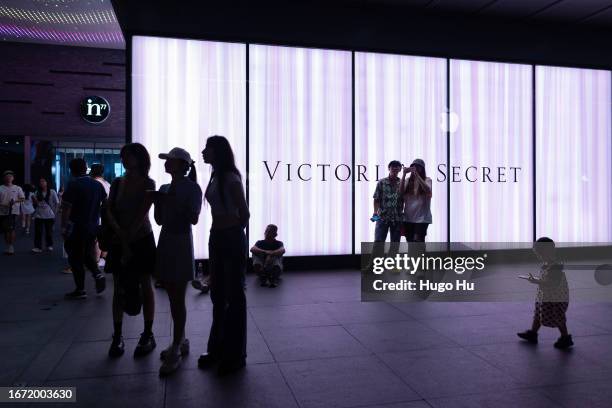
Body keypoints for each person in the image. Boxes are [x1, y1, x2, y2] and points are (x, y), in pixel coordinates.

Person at [199, 135, 250, 376]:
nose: (202, 152)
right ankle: (217, 348)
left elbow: (244, 213)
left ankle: (235, 354)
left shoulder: (229, 177)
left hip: (228, 237)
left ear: (217, 151)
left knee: (233, 296)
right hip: (218, 236)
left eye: (207, 148)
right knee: (219, 295)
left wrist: (232, 232)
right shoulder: (217, 176)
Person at [105, 144, 157, 358]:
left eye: (128, 156)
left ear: (139, 158)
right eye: (123, 156)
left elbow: (142, 213)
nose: (124, 159)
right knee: (119, 287)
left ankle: (147, 333)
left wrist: (124, 238)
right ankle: (117, 335)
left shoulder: (148, 183)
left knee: (145, 285)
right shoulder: (117, 183)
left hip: (140, 239)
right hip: (123, 239)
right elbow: (108, 209)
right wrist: (120, 233)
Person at [153, 147, 202, 376]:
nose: (166, 163)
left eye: (170, 161)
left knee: (177, 296)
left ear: (183, 165)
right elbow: (160, 220)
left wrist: (169, 201)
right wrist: (158, 202)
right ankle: (179, 340)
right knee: (173, 295)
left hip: (181, 241)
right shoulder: (164, 187)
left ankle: (178, 344)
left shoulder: (193, 188)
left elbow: (193, 218)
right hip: (167, 239)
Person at [60, 158, 107, 299]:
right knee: (87, 253)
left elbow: (67, 209)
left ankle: (80, 290)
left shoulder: (73, 185)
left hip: (76, 227)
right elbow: (105, 204)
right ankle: (97, 274)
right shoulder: (97, 185)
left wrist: (63, 228)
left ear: (71, 170)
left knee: (75, 258)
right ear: (86, 168)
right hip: (92, 226)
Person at [517, 237, 573, 349]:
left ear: (547, 252)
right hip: (545, 296)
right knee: (538, 313)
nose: (538, 256)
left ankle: (565, 337)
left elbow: (552, 283)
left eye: (539, 253)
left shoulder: (555, 267)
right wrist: (538, 280)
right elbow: (547, 279)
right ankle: (533, 333)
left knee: (558, 316)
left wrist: (535, 281)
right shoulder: (546, 264)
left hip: (555, 298)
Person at [399, 159, 432, 242]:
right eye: (413, 166)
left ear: (422, 169)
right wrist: (403, 175)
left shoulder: (427, 180)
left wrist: (417, 175)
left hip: (422, 218)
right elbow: (400, 192)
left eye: (418, 167)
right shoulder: (407, 180)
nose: (415, 168)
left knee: (418, 242)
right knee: (410, 242)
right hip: (408, 218)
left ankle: (421, 255)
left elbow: (428, 190)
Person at [373, 160, 404, 243]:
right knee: (378, 242)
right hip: (383, 217)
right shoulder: (381, 182)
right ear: (389, 168)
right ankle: (377, 256)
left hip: (397, 218)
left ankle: (392, 257)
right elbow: (376, 199)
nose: (394, 169)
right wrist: (375, 213)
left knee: (395, 244)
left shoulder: (402, 183)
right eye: (392, 167)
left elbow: (404, 199)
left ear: (400, 169)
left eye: (397, 167)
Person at [31, 177, 59, 253]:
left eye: (43, 181)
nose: (42, 183)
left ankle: (49, 245)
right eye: (40, 181)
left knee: (49, 231)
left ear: (47, 182)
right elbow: (36, 204)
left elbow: (57, 203)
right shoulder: (37, 192)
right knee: (38, 231)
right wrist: (34, 199)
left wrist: (55, 213)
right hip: (39, 214)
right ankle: (37, 247)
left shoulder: (52, 192)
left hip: (49, 214)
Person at [0, 170, 25, 255]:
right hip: (3, 212)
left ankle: (11, 246)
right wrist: (3, 204)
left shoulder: (17, 188)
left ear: (13, 178)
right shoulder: (0, 188)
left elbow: (22, 198)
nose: (9, 177)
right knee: (6, 230)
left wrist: (15, 201)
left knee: (12, 228)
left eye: (10, 176)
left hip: (14, 211)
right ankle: (8, 246)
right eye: (7, 176)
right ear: (4, 178)